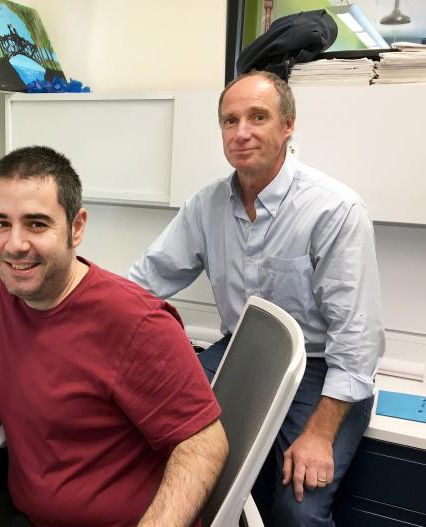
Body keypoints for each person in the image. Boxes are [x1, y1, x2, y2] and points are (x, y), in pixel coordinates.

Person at [128, 71, 384, 527]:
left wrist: (320, 434)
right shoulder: (205, 206)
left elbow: (357, 342)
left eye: (257, 117)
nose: (241, 132)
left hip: (322, 371)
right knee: (164, 456)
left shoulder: (334, 210)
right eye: (230, 121)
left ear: (288, 125)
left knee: (298, 510)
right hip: (241, 351)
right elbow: (146, 281)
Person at [0, 145, 228, 527]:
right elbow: (1, 370)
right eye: (1, 223)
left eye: (37, 224)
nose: (14, 244)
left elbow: (205, 444)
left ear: (76, 227)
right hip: (27, 510)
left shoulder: (137, 322)